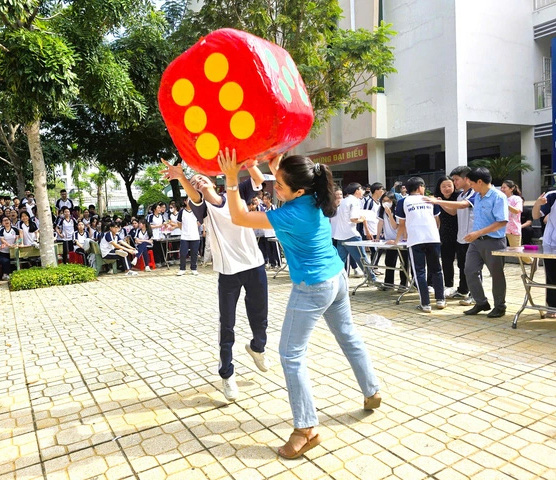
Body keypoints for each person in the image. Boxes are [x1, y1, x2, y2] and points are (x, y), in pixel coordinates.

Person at [218, 149, 381, 460]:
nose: (272, 187)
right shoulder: (315, 198)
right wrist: (271, 161)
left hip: (313, 287)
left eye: (278, 185)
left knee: (290, 355)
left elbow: (239, 217)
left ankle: (306, 429)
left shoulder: (290, 213)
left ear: (298, 190)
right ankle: (371, 389)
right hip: (336, 278)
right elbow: (288, 180)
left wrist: (230, 177)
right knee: (347, 336)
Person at [161, 157, 269, 402]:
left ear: (213, 180)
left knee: (259, 315)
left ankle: (258, 348)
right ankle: (227, 374)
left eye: (201, 177)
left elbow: (259, 179)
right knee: (227, 326)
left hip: (255, 265)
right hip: (229, 271)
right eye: (195, 182)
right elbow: (195, 196)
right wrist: (182, 178)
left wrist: (249, 161)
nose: (199, 180)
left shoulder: (236, 192)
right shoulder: (203, 208)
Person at [459, 168, 508, 318]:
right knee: (469, 270)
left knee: (496, 274)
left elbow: (501, 222)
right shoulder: (478, 196)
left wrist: (478, 233)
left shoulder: (498, 197)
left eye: (472, 184)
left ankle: (500, 306)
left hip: (494, 241)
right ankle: (481, 302)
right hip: (476, 242)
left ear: (480, 182)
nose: (471, 187)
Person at [395, 177, 445, 312]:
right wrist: (435, 233)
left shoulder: (402, 202)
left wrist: (397, 240)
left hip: (416, 240)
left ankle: (425, 303)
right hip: (433, 238)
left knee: (419, 272)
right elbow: (437, 220)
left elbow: (401, 224)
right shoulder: (430, 200)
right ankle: (440, 300)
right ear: (420, 187)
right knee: (437, 269)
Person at [334, 183, 377, 281]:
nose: (363, 192)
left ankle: (337, 280)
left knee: (340, 260)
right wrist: (363, 219)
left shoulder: (344, 201)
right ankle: (372, 279)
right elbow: (353, 219)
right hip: (351, 235)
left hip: (340, 235)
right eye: (362, 189)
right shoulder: (354, 201)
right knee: (362, 258)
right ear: (357, 190)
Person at [433, 176, 460, 298]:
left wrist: (440, 203)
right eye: (443, 186)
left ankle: (464, 288)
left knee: (463, 263)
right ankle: (448, 285)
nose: (447, 188)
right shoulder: (436, 199)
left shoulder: (458, 197)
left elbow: (453, 212)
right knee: (446, 261)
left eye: (449, 185)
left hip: (460, 233)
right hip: (444, 234)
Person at [376, 192, 408, 290]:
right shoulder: (380, 210)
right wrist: (377, 237)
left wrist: (390, 214)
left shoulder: (397, 210)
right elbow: (380, 223)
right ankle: (388, 284)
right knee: (389, 262)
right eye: (384, 200)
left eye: (388, 201)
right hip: (389, 239)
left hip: (401, 239)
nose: (386, 203)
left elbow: (395, 226)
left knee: (404, 263)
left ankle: (404, 284)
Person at [532, 191, 556, 318]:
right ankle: (552, 307)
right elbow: (536, 215)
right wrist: (537, 204)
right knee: (552, 277)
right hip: (552, 245)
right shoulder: (552, 196)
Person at [176, 199, 200, 276]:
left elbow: (200, 222)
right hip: (184, 236)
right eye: (188, 201)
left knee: (194, 253)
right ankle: (182, 268)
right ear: (185, 202)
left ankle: (194, 268)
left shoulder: (196, 211)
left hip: (195, 236)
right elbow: (179, 223)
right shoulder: (181, 212)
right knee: (183, 253)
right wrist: (184, 230)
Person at [0, 216, 23, 280]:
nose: (6, 221)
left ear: (10, 221)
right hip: (4, 252)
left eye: (7, 220)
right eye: (4, 221)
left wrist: (16, 244)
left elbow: (19, 239)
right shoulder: (1, 230)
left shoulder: (15, 229)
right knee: (5, 261)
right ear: (2, 223)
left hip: (14, 250)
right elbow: (2, 240)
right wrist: (9, 245)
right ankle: (5, 274)